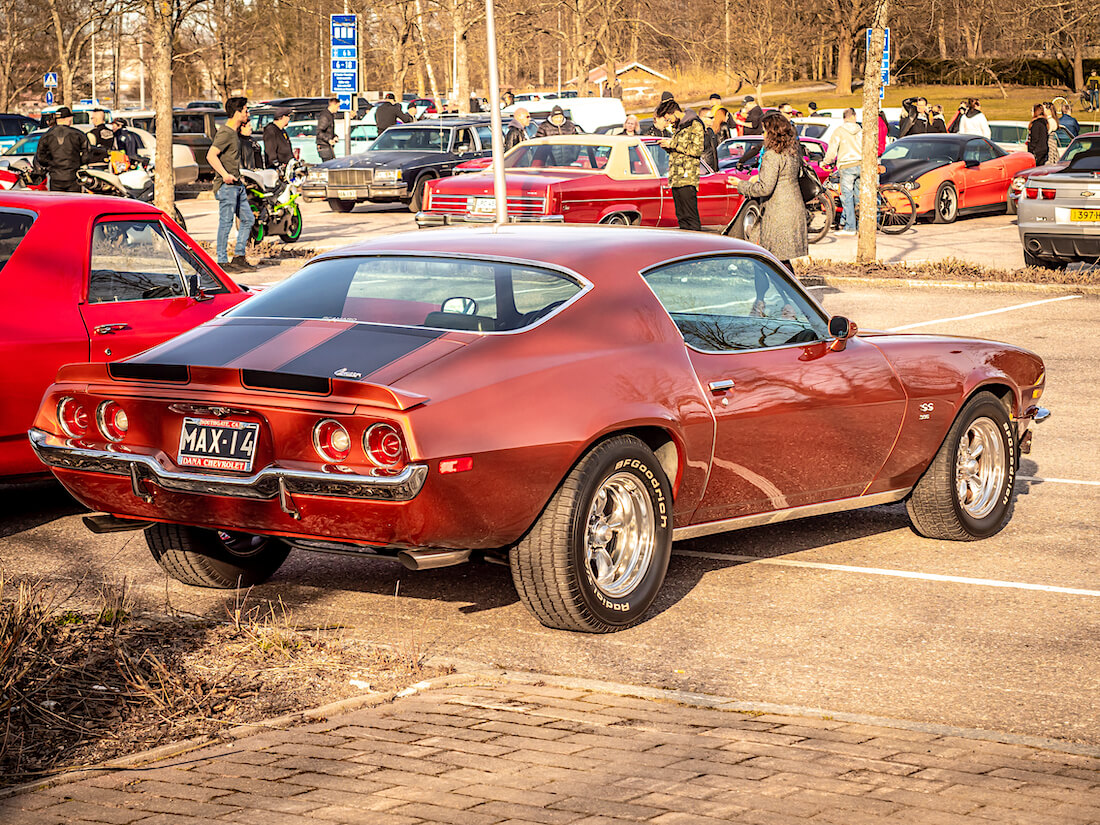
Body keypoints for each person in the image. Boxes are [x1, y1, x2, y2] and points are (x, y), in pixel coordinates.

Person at [735, 111, 807, 274]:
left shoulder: (772, 156)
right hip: (792, 208)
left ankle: (790, 296)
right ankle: (773, 297)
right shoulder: (793, 151)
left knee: (768, 258)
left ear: (771, 132)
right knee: (776, 259)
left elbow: (765, 188)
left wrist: (741, 185)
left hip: (777, 213)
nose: (762, 135)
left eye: (763, 131)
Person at [207, 97, 255, 272]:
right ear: (237, 112)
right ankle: (222, 261)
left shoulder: (234, 133)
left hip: (237, 185)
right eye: (245, 110)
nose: (247, 114)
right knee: (226, 223)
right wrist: (225, 175)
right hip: (227, 186)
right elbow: (211, 155)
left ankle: (239, 257)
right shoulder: (225, 133)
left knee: (249, 219)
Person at [657, 98, 704, 231]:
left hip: (687, 177)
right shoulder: (679, 126)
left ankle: (697, 244)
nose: (668, 122)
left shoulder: (694, 124)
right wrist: (667, 147)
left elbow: (697, 149)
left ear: (674, 112)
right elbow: (681, 149)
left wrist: (672, 144)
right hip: (676, 177)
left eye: (668, 118)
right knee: (681, 216)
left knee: (690, 216)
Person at [823, 108, 862, 235]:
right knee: (858, 197)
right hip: (861, 164)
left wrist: (826, 162)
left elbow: (832, 150)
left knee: (847, 197)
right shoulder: (860, 130)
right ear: (854, 116)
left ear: (844, 117)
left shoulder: (839, 131)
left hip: (846, 165)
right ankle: (860, 224)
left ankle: (850, 227)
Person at [33, 106, 91, 192]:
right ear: (68, 119)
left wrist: (51, 164)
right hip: (73, 175)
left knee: (57, 202)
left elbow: (40, 157)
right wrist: (78, 163)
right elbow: (87, 154)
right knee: (72, 202)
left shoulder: (47, 135)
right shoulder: (78, 134)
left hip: (55, 176)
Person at [699, 107, 719, 172]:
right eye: (711, 118)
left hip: (713, 169)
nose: (713, 120)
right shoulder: (697, 132)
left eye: (713, 117)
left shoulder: (710, 131)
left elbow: (714, 151)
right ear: (702, 118)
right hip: (702, 170)